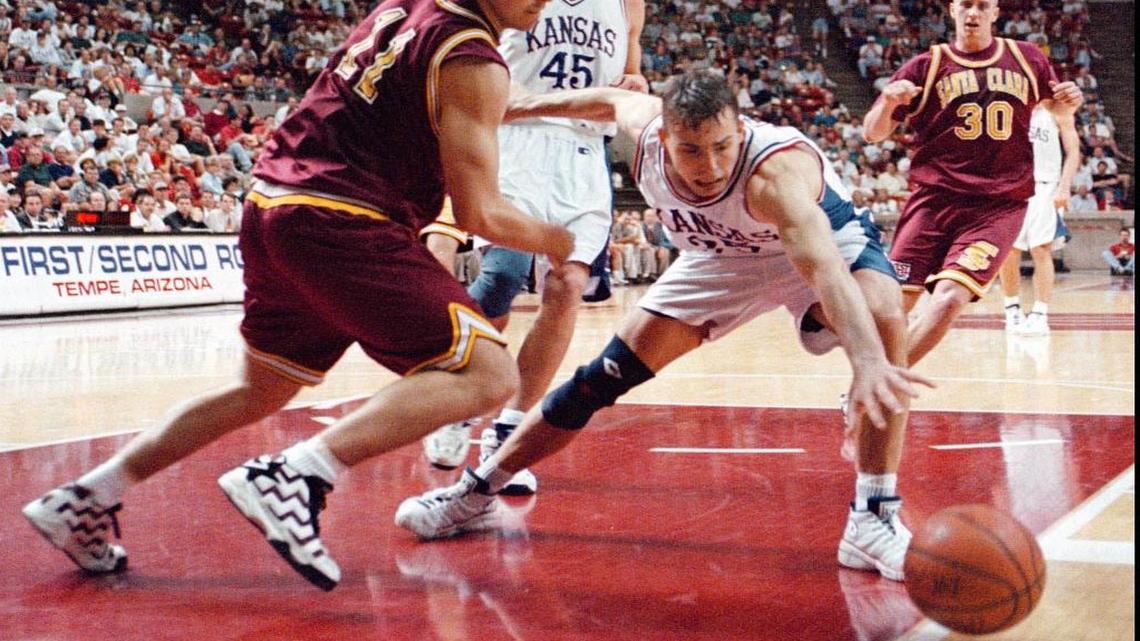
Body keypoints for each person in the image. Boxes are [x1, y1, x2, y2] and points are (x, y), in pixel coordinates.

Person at [23, 0, 572, 593]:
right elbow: (480, 211)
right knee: (487, 373)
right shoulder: (472, 58)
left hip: (273, 204)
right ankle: (299, 473)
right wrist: (563, 242)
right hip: (342, 215)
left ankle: (84, 497)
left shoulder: (405, 9)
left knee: (262, 386)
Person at [396, 71, 933, 582]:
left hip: (821, 245)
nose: (710, 164)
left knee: (884, 319)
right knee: (599, 380)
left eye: (723, 146)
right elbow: (605, 100)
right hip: (718, 258)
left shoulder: (774, 176)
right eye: (692, 149)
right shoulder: (646, 125)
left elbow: (823, 268)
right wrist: (515, 106)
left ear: (740, 130)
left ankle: (873, 513)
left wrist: (865, 362)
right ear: (663, 137)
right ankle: (476, 492)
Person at [418, 0, 648, 491]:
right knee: (502, 273)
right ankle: (458, 400)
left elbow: (632, 74)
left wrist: (634, 84)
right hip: (514, 135)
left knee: (568, 286)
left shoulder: (629, 3)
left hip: (585, 152)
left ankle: (510, 428)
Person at [862, 0, 1083, 366]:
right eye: (966, 5)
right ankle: (873, 379)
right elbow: (872, 133)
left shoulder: (1027, 58)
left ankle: (884, 383)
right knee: (891, 305)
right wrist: (887, 103)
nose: (973, 13)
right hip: (933, 201)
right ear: (952, 10)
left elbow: (1058, 111)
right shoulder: (926, 65)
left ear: (996, 12)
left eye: (982, 5)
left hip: (997, 205)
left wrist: (1068, 104)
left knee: (949, 298)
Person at [997, 102, 1081, 336]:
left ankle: (1040, 313)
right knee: (1009, 251)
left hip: (1046, 186)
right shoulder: (1008, 106)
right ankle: (1012, 309)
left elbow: (1073, 151)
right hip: (1011, 186)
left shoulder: (1056, 109)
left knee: (1041, 249)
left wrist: (1064, 187)